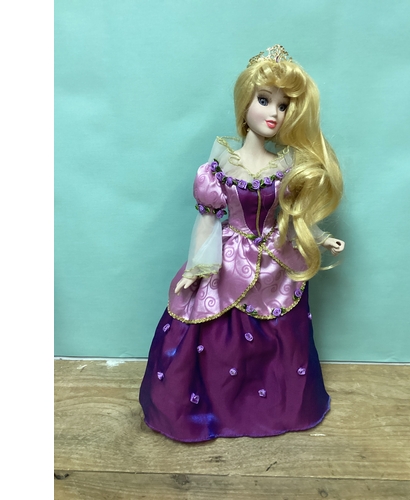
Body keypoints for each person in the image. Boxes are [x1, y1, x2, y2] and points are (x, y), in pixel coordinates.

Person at [139, 45, 345, 442]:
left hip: (276, 261)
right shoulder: (219, 167)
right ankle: (215, 409)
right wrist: (197, 267)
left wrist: (321, 237)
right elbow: (207, 218)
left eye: (283, 106)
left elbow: (294, 214)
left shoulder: (286, 166)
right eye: (264, 100)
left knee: (280, 336)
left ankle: (272, 407)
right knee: (218, 337)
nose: (274, 113)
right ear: (245, 102)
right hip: (228, 258)